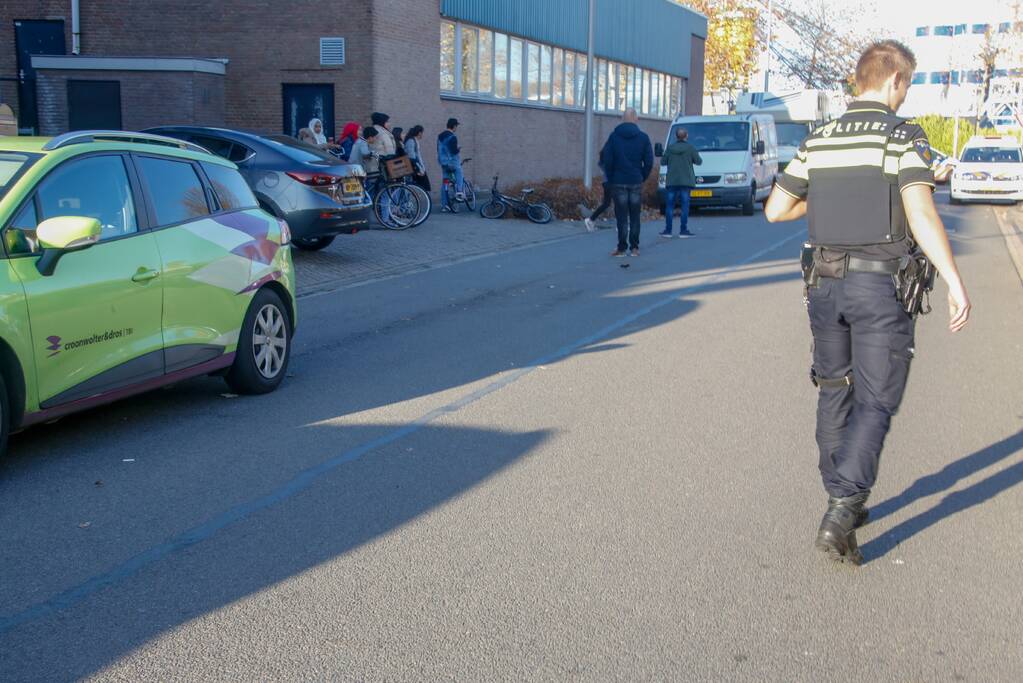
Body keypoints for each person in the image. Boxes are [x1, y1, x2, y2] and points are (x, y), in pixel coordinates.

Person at [765, 40, 971, 566]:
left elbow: (777, 209)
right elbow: (920, 213)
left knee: (834, 388)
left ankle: (840, 497)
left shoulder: (820, 138)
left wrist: (830, 198)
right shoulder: (902, 137)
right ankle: (843, 506)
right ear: (895, 80)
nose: (906, 95)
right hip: (879, 290)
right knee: (876, 399)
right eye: (908, 85)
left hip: (824, 285)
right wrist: (953, 280)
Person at [601, 108, 653, 257]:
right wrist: (642, 176)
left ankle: (622, 248)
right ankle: (635, 248)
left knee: (622, 216)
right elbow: (649, 161)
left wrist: (611, 177)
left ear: (622, 119)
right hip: (635, 180)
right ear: (636, 119)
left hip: (618, 180)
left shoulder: (614, 137)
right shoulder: (643, 138)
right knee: (635, 215)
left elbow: (607, 160)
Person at [660, 127, 702, 238]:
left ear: (676, 136)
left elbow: (663, 162)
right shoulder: (690, 148)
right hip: (686, 181)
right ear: (686, 136)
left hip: (672, 181)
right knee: (685, 206)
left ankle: (668, 230)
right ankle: (683, 230)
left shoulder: (670, 148)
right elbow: (699, 161)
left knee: (670, 206)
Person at [437, 117, 465, 209]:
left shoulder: (440, 136)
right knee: (459, 174)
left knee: (445, 182)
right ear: (454, 126)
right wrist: (458, 148)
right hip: (453, 162)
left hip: (443, 163)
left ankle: (444, 205)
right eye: (456, 126)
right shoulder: (452, 136)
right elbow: (454, 151)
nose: (456, 128)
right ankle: (459, 191)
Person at [366, 112, 396, 176]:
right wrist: (392, 162)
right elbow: (389, 149)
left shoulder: (374, 130)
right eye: (387, 122)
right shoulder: (382, 133)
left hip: (375, 162)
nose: (389, 124)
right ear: (381, 122)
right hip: (383, 163)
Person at [404, 125, 431, 192]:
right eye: (422, 133)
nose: (422, 135)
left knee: (420, 186)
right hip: (412, 167)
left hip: (416, 166)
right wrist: (419, 168)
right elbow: (412, 157)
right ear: (419, 133)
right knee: (410, 186)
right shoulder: (411, 141)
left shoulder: (414, 140)